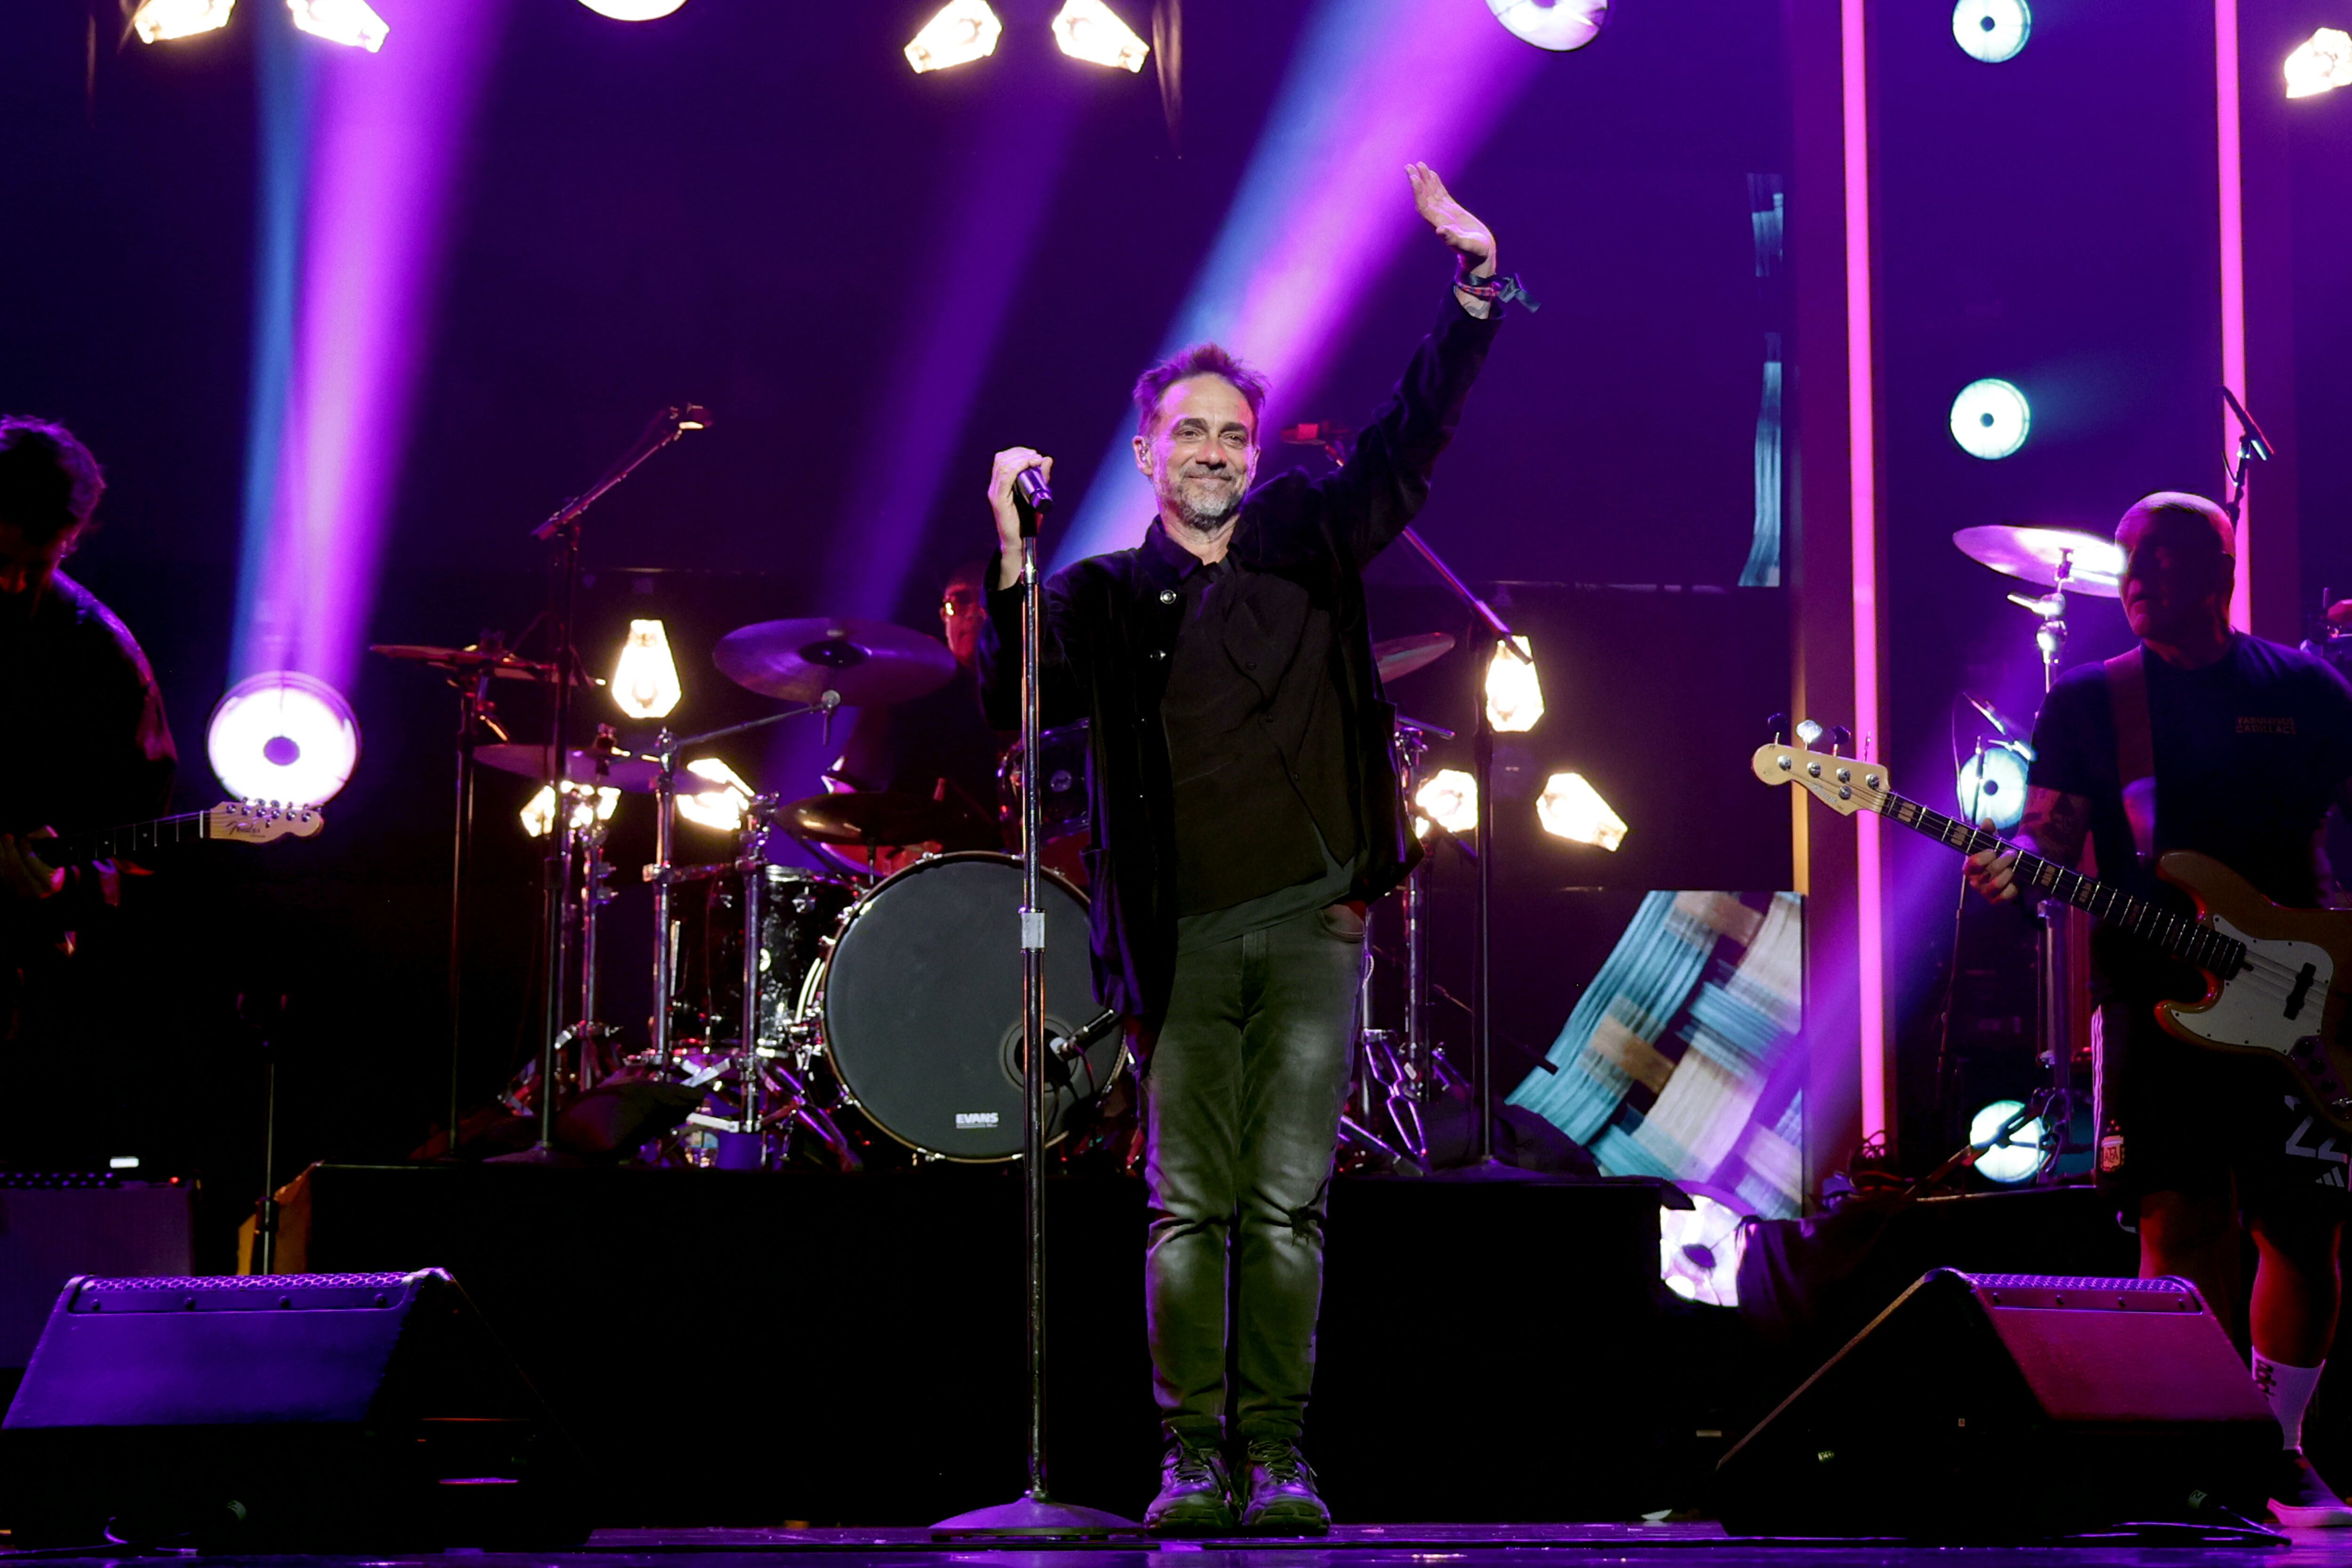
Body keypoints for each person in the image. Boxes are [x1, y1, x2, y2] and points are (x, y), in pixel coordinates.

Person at [976, 163, 1510, 1534]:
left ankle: (1274, 1455)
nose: (1212, 450)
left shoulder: (1309, 538)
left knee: (1284, 1205)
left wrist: (1467, 292)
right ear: (1145, 453)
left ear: (1252, 450)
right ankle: (1187, 1462)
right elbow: (1013, 710)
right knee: (1185, 1207)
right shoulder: (1101, 598)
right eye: (1187, 433)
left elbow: (1405, 442)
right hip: (1180, 935)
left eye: (1231, 432)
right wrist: (1008, 554)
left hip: (1314, 918)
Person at [1965, 492, 2352, 1528]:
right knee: (2180, 1226)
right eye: (2129, 558)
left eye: (2162, 558)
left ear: (2220, 570)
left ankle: (2276, 1446)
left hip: (2300, 995)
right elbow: (2050, 839)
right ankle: (2193, 1452)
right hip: (2151, 994)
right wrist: (2016, 875)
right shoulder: (2094, 700)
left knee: (2303, 1230)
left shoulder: (2306, 689)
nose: (2136, 575)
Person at [0, 417, 175, 1161]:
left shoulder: (100, 656)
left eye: (34, 565)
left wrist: (63, 882)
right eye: (0, 557)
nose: (10, 582)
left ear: (70, 541)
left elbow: (132, 844)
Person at [827, 559, 1006, 873]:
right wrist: (893, 861)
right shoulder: (905, 695)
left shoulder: (1043, 698)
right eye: (959, 601)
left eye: (987, 599)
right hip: (932, 889)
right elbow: (834, 822)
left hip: (1021, 885)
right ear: (943, 616)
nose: (973, 612)